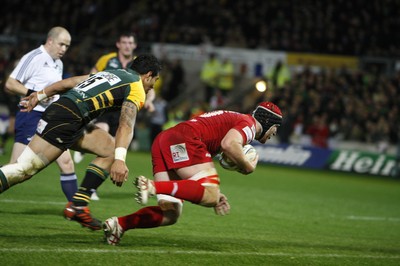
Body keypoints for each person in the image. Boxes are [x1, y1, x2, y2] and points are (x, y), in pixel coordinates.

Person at [0, 54, 162, 231]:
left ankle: (78, 205)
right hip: (68, 119)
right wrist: (121, 160)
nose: (153, 86)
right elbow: (126, 125)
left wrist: (40, 95)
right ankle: (77, 205)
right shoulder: (137, 87)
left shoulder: (113, 73)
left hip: (66, 112)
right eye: (155, 80)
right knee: (23, 169)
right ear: (148, 75)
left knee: (109, 149)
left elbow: (71, 82)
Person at [103, 101, 283, 245]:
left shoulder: (238, 119)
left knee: (170, 213)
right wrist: (247, 166)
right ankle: (151, 186)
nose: (273, 134)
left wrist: (214, 194)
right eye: (275, 129)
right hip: (185, 139)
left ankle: (119, 225)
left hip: (166, 139)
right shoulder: (250, 125)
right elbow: (229, 144)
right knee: (210, 195)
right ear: (269, 122)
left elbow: (223, 146)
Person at [74, 32, 155, 200]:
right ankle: (89, 184)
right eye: (124, 42)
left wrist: (150, 101)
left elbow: (150, 88)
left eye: (130, 43)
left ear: (134, 46)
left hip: (126, 109)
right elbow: (93, 76)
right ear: (118, 44)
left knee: (113, 148)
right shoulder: (107, 59)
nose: (127, 45)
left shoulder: (140, 64)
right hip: (106, 107)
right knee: (107, 142)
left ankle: (91, 184)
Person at [4, 26, 78, 202]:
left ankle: (78, 210)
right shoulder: (34, 57)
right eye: (61, 44)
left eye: (67, 46)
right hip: (30, 115)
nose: (64, 50)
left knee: (67, 163)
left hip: (50, 118)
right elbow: (10, 83)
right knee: (16, 168)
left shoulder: (58, 63)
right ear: (50, 40)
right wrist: (34, 93)